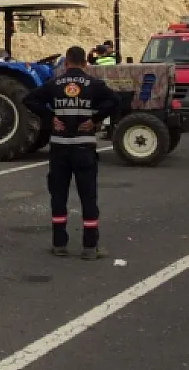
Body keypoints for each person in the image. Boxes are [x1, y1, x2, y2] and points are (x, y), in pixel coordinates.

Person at [23, 46, 120, 260]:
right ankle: (89, 247)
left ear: (65, 63)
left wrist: (50, 118)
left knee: (59, 196)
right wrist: (94, 119)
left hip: (59, 148)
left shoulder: (54, 84)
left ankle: (59, 244)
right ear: (85, 63)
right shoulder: (94, 85)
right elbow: (115, 101)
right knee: (88, 197)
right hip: (84, 148)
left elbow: (29, 99)